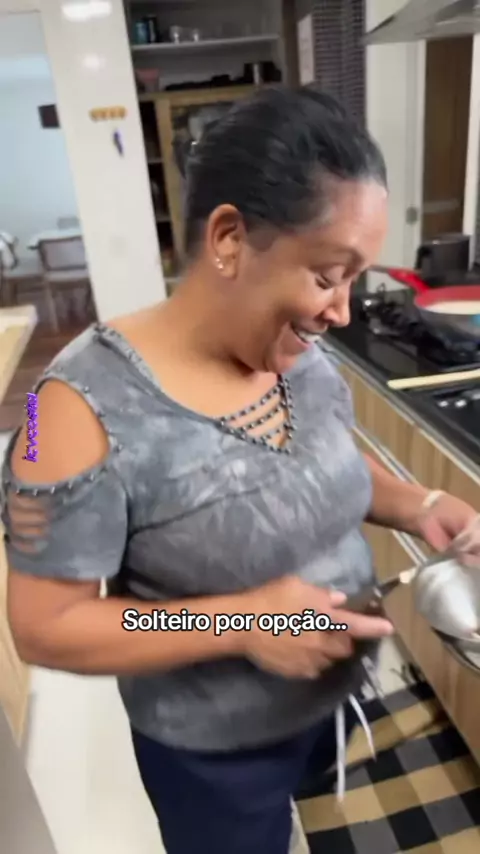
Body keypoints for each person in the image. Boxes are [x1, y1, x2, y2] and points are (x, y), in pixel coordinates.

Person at [2, 87, 477, 854]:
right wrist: (245, 623)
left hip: (335, 703)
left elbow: (319, 459)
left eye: (353, 279)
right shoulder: (61, 407)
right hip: (214, 755)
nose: (342, 311)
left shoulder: (297, 353)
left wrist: (417, 503)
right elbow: (44, 627)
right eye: (328, 275)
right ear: (228, 238)